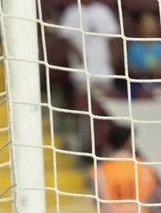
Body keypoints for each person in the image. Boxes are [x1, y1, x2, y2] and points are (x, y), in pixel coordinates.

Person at [57, 0, 121, 154]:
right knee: (85, 110)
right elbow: (64, 37)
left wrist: (113, 58)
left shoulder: (103, 10)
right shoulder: (71, 12)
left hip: (104, 71)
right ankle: (88, 146)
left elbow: (113, 37)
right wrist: (77, 52)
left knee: (107, 110)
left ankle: (107, 145)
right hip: (81, 71)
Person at [92, 124, 157, 213]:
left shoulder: (100, 170)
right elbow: (150, 195)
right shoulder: (144, 168)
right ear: (129, 142)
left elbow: (97, 199)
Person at [125, 10, 161, 98]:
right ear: (139, 26)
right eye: (145, 24)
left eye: (150, 24)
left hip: (159, 84)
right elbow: (130, 69)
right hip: (138, 85)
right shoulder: (134, 46)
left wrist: (158, 71)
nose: (148, 27)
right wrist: (148, 71)